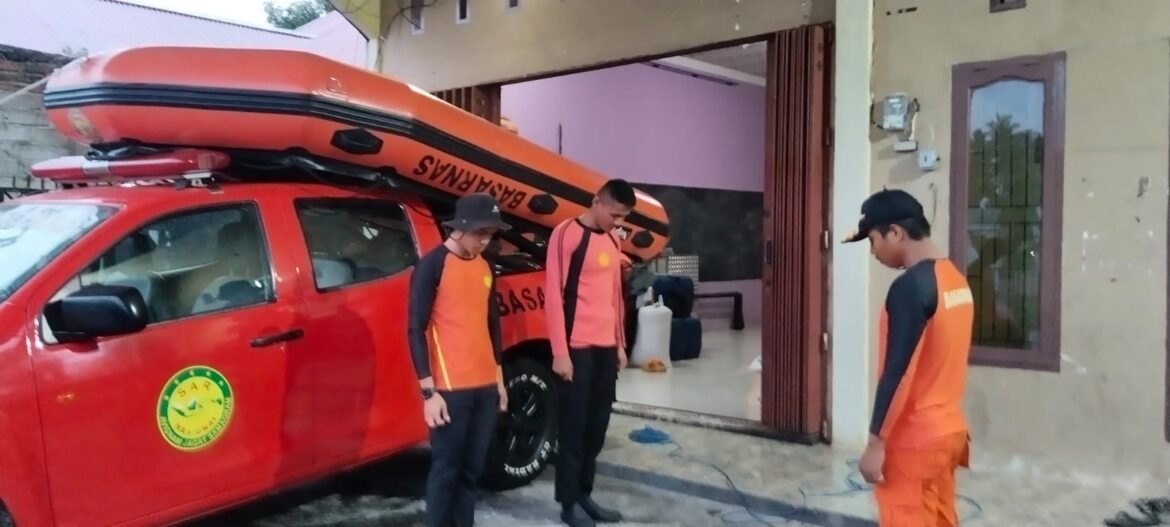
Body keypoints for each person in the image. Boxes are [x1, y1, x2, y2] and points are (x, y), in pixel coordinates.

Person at [841, 188, 975, 527]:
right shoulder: (954, 279)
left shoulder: (911, 287)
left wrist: (875, 443)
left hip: (914, 441)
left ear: (896, 232)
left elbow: (898, 373)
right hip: (948, 433)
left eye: (873, 240)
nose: (873, 251)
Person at [408, 192, 510, 527]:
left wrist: (499, 379)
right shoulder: (432, 265)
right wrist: (429, 392)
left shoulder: (485, 267)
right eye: (480, 232)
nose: (485, 240)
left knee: (471, 470)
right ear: (460, 227)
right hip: (450, 389)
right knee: (446, 471)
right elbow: (415, 329)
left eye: (490, 233)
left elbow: (492, 325)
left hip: (485, 385)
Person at [545, 179, 634, 527]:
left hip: (605, 349)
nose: (618, 222)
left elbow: (615, 297)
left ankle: (584, 494)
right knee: (573, 428)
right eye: (615, 214)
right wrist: (560, 352)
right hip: (576, 348)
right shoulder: (566, 234)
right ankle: (568, 503)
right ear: (597, 202)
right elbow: (553, 295)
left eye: (623, 217)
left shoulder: (613, 239)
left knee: (597, 428)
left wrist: (620, 343)